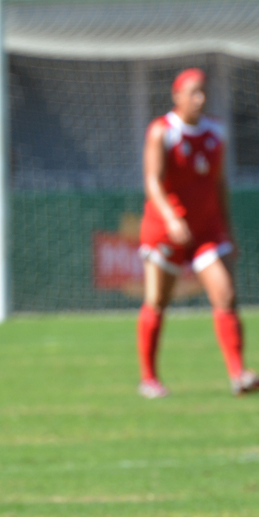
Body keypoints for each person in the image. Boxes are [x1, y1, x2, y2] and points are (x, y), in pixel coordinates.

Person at [137, 67, 257, 397]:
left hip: (206, 231)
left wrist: (227, 232)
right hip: (165, 230)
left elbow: (220, 183)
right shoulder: (162, 132)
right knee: (157, 300)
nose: (199, 98)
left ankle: (238, 374)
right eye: (193, 92)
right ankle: (149, 379)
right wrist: (172, 219)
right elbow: (152, 181)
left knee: (226, 294)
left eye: (203, 92)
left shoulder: (216, 131)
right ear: (177, 96)